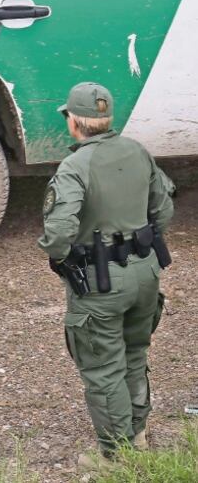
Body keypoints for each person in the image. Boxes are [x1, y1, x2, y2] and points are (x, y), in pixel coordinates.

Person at [38, 82, 174, 469]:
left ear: (73, 122)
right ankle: (138, 433)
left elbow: (58, 232)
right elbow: (162, 211)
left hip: (100, 281)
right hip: (146, 272)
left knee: (102, 367)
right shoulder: (137, 151)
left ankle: (117, 455)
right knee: (135, 353)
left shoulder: (74, 166)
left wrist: (61, 258)